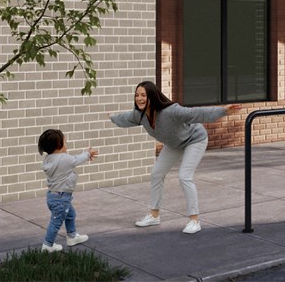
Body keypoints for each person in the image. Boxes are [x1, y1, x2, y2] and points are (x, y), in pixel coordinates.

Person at [109, 80, 241, 233]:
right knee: (156, 174)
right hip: (174, 143)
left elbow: (195, 113)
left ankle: (194, 220)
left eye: (143, 95)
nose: (139, 98)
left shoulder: (171, 111)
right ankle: (154, 215)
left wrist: (223, 111)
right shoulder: (139, 115)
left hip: (194, 139)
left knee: (184, 176)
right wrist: (111, 117)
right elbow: (124, 119)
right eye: (137, 95)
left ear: (152, 96)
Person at [37, 128, 97, 253]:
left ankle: (72, 236)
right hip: (61, 197)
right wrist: (87, 153)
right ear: (59, 145)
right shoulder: (64, 159)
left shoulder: (49, 159)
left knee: (70, 215)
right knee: (56, 222)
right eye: (65, 141)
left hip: (54, 196)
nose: (66, 144)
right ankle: (47, 245)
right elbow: (76, 159)